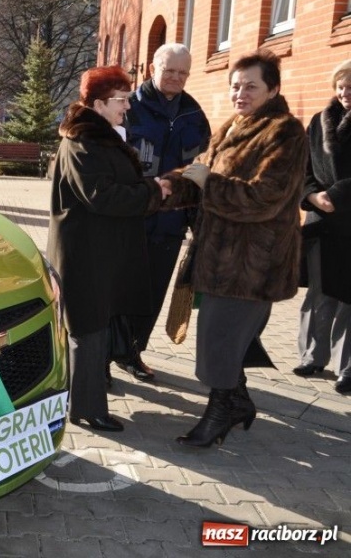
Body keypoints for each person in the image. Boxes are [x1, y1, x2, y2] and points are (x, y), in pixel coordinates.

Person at [160, 49, 307, 447]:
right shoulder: (234, 126)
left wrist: (210, 183)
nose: (240, 93)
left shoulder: (285, 132)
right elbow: (201, 172)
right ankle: (238, 402)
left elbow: (265, 198)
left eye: (251, 86)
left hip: (252, 264)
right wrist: (164, 187)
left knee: (219, 341)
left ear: (273, 89)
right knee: (223, 340)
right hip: (220, 257)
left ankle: (220, 412)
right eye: (235, 86)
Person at [47, 66, 167, 432]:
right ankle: (86, 409)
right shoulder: (82, 141)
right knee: (88, 330)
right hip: (84, 254)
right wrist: (153, 192)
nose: (128, 107)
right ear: (99, 103)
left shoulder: (100, 137)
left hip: (99, 251)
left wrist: (152, 186)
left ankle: (85, 402)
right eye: (122, 100)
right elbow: (102, 195)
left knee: (94, 327)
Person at [118, 43, 212, 383]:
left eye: (182, 72)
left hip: (171, 222)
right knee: (118, 290)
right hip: (130, 218)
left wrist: (198, 224)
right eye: (169, 70)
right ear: (152, 68)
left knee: (153, 292)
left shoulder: (194, 115)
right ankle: (101, 358)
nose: (175, 77)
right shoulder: (128, 107)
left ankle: (132, 352)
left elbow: (202, 168)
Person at [294, 59, 351, 394]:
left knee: (348, 297)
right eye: (341, 86)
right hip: (320, 221)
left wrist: (337, 194)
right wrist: (313, 197)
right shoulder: (318, 122)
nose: (346, 92)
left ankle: (347, 367)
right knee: (318, 293)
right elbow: (303, 170)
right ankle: (313, 356)